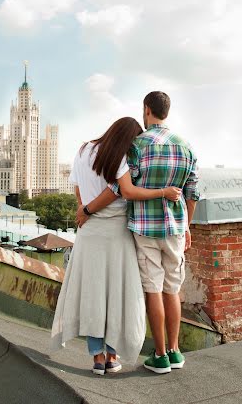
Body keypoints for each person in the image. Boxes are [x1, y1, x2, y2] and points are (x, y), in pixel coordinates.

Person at [77, 91, 199, 375]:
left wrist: (86, 210)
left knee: (153, 289)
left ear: (146, 110)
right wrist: (187, 226)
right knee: (173, 288)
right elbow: (192, 193)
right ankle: (175, 350)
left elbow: (120, 188)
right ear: (166, 111)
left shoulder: (137, 146)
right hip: (176, 229)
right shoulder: (186, 147)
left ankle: (159, 355)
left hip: (145, 228)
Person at [51, 117, 181, 375]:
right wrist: (164, 192)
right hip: (116, 230)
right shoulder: (120, 157)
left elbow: (78, 190)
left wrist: (86, 210)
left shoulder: (83, 150)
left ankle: (97, 357)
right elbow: (123, 192)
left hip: (89, 230)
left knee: (93, 292)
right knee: (117, 292)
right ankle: (112, 356)